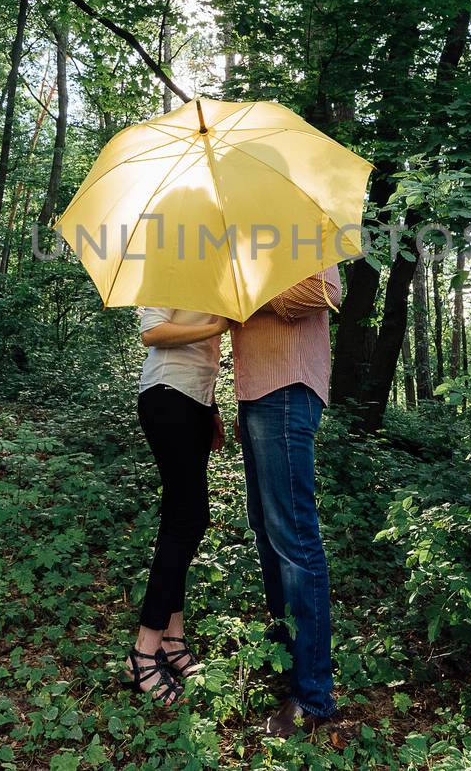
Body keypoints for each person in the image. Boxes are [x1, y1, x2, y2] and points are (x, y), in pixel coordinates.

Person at [231, 265, 342, 738]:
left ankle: (312, 695)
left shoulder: (301, 220)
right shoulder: (246, 232)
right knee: (268, 531)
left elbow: (322, 292)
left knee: (294, 540)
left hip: (287, 387)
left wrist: (245, 287)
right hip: (259, 392)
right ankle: (285, 655)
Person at [123, 305, 230, 705]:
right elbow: (152, 333)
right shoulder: (169, 259)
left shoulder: (210, 275)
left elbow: (201, 351)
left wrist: (211, 408)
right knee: (188, 519)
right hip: (168, 395)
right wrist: (219, 323)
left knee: (180, 520)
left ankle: (171, 636)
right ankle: (144, 651)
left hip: (194, 402)